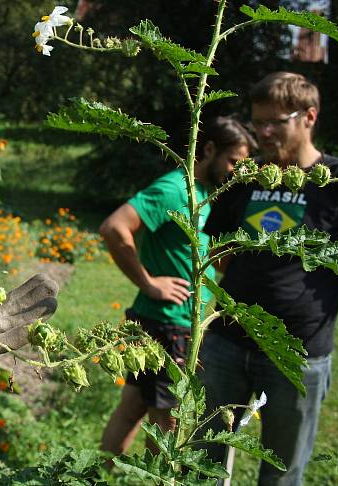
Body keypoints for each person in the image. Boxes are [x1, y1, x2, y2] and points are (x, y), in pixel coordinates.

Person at [200, 72, 338, 485]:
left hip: (299, 356)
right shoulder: (246, 176)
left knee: (282, 473)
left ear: (309, 117)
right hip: (226, 343)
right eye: (257, 121)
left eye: (276, 122)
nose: (263, 132)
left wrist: (328, 286)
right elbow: (220, 249)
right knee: (203, 463)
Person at [99, 117, 255, 455]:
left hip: (163, 323)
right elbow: (114, 227)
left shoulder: (206, 195)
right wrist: (149, 282)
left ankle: (93, 479)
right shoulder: (173, 189)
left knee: (130, 411)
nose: (236, 172)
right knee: (169, 427)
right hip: (168, 327)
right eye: (233, 162)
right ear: (209, 148)